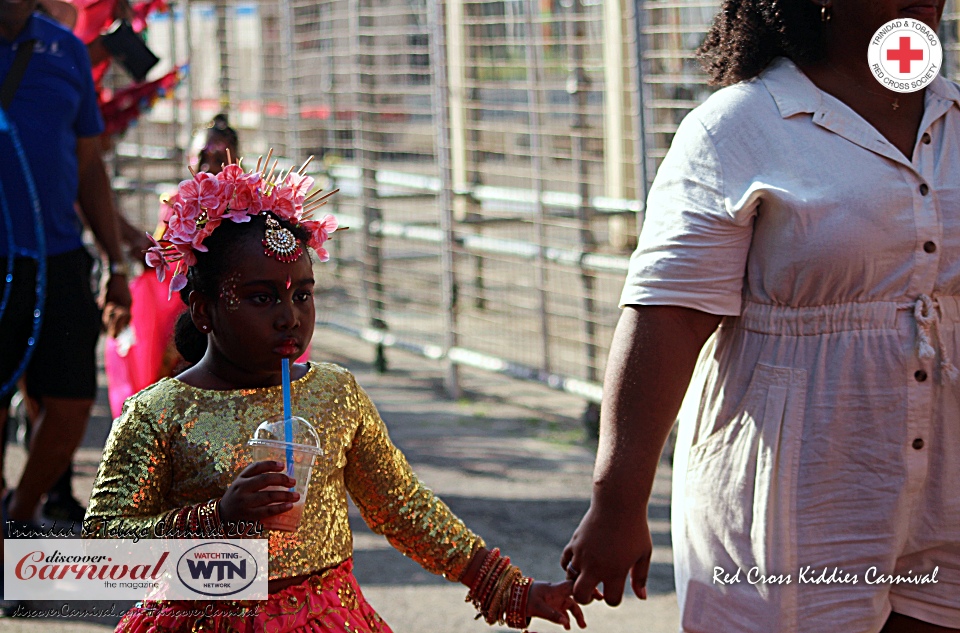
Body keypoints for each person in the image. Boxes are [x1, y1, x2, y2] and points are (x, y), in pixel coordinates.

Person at [561, 1, 959, 632]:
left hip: (945, 491)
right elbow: (668, 317)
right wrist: (617, 502)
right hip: (794, 496)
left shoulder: (954, 116)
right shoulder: (738, 128)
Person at [83, 158, 587, 633]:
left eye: (302, 294)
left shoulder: (334, 393)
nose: (290, 317)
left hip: (329, 617)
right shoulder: (158, 412)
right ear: (203, 310)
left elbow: (402, 507)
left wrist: (509, 588)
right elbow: (105, 546)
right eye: (262, 298)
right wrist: (216, 518)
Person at [0, 0, 132, 536]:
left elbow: (88, 164)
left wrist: (115, 261)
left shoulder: (67, 50)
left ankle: (23, 510)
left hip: (58, 258)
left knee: (74, 401)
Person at [103, 113, 242, 419]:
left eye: (219, 157)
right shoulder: (176, 204)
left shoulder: (250, 205)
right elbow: (159, 257)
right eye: (202, 157)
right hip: (187, 324)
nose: (209, 166)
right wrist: (122, 232)